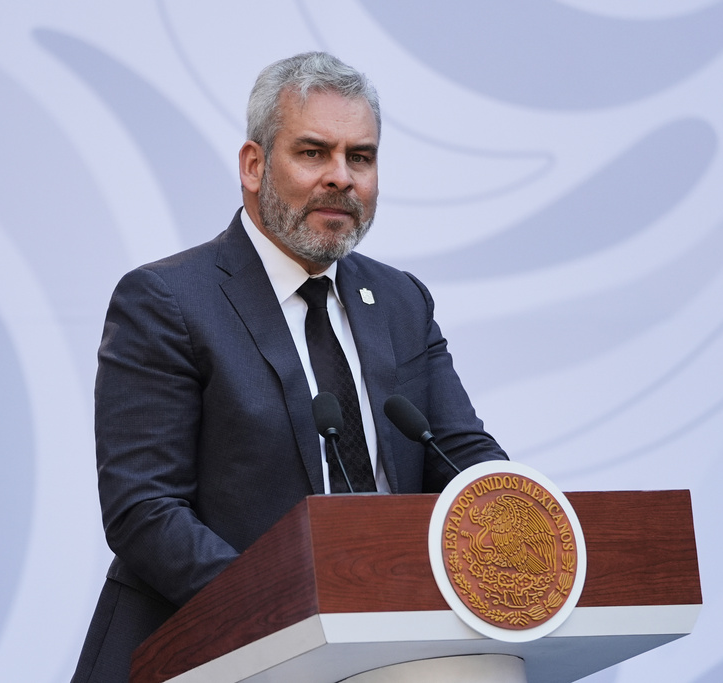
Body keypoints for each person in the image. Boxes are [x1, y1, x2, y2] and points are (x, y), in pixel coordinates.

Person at [71, 51, 508, 682]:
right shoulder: (167, 301)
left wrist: (525, 534)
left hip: (396, 651)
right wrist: (295, 618)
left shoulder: (401, 301)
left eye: (360, 157)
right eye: (313, 153)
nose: (341, 177)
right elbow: (147, 511)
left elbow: (462, 456)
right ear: (253, 166)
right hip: (213, 653)